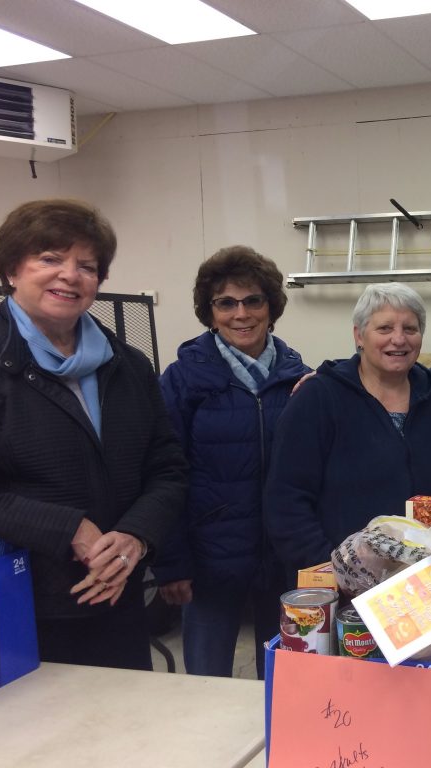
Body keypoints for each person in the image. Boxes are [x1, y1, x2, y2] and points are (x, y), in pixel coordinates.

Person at [0, 199, 187, 670]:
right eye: (50, 258)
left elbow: (168, 470)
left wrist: (135, 536)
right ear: (12, 269)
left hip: (118, 601)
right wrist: (69, 529)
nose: (70, 275)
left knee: (126, 715)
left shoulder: (129, 366)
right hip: (18, 610)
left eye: (87, 266)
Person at [152, 246, 310, 677]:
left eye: (253, 300)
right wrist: (172, 564)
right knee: (207, 686)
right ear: (210, 311)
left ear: (270, 307)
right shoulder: (182, 380)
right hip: (209, 562)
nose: (241, 314)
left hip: (282, 559)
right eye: (226, 303)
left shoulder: (301, 378)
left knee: (285, 681)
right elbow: (164, 473)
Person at [264, 283, 431, 576]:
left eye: (410, 328)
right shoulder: (319, 397)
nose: (398, 339)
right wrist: (332, 571)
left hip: (428, 580)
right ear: (359, 336)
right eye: (384, 328)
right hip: (342, 582)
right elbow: (286, 500)